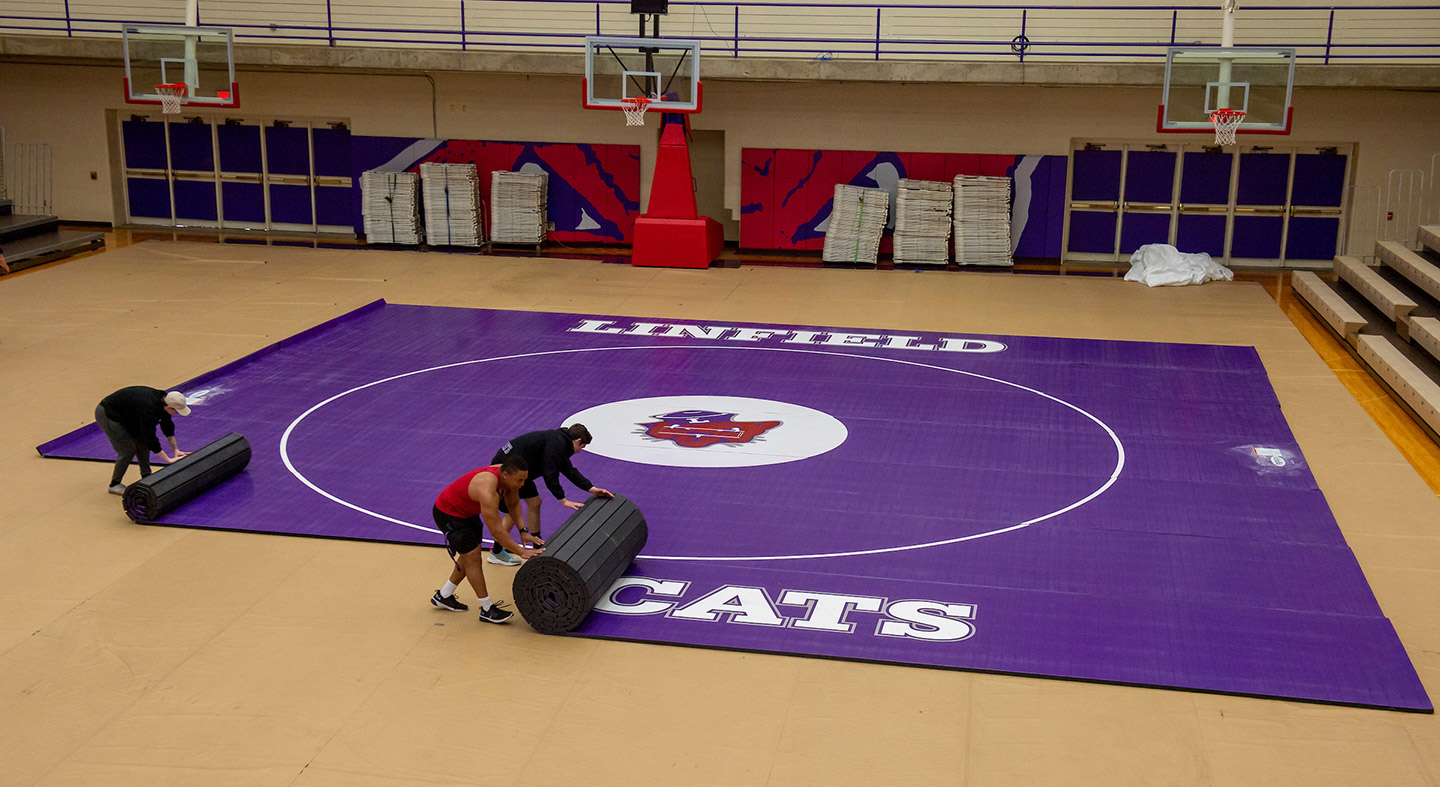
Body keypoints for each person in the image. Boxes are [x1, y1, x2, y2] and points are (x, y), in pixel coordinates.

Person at [429, 455, 544, 622]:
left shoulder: (509, 476)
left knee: (469, 554)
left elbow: (514, 504)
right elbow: (497, 532)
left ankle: (444, 595)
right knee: (473, 558)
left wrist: (523, 531)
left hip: (467, 512)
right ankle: (487, 609)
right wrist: (520, 551)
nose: (522, 484)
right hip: (449, 514)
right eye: (520, 480)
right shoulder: (487, 489)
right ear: (505, 475)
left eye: (524, 479)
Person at [485, 423, 613, 566]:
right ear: (577, 441)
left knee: (535, 502)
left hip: (518, 469)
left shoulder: (560, 441)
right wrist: (562, 500)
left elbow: (568, 469)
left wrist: (591, 488)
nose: (579, 451)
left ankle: (537, 546)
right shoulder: (557, 444)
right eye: (581, 447)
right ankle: (496, 552)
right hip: (505, 471)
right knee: (510, 513)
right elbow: (550, 474)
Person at [94, 386, 192, 494]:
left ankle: (146, 477)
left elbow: (167, 427)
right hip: (109, 414)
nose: (177, 413)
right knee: (127, 451)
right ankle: (114, 484)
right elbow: (150, 437)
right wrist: (168, 459)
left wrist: (176, 450)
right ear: (169, 408)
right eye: (177, 411)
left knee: (143, 443)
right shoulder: (149, 409)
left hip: (129, 414)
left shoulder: (164, 401)